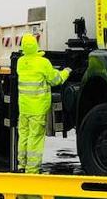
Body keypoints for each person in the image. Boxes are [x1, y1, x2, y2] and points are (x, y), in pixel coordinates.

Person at [15, 34, 69, 173]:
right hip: (38, 109)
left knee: (24, 136)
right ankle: (32, 169)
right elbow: (55, 80)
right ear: (35, 45)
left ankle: (22, 165)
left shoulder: (20, 62)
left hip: (24, 108)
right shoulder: (43, 63)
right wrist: (66, 72)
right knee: (35, 138)